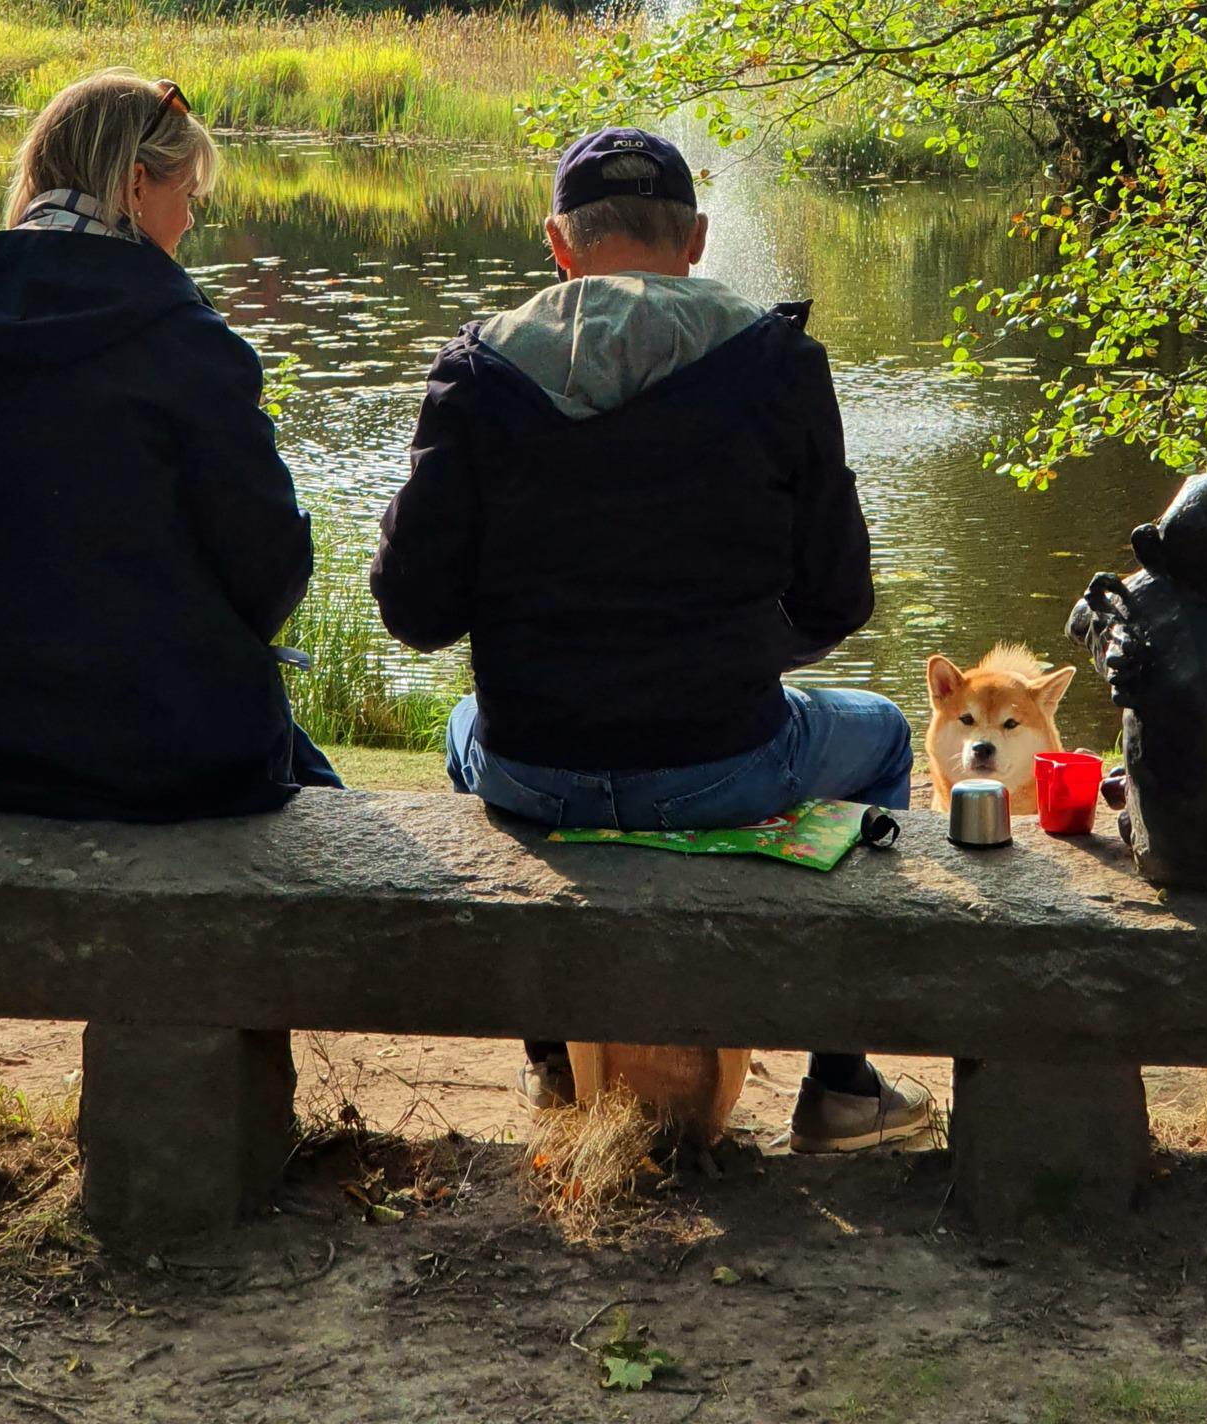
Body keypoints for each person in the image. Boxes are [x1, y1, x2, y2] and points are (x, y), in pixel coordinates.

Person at [371, 124, 931, 1153]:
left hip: (533, 769)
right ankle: (842, 1083)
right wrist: (739, 654)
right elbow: (838, 593)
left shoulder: (476, 370)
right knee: (886, 735)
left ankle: (550, 1061)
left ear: (559, 241)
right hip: (724, 764)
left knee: (462, 721)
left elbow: (413, 612)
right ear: (698, 238)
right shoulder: (778, 360)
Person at [0, 70, 337, 821]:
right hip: (158, 757)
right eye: (186, 198)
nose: (188, 225)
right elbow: (269, 569)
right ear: (137, 185)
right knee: (317, 786)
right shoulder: (191, 346)